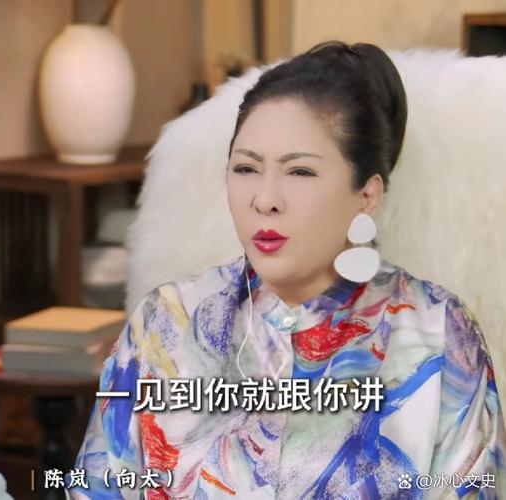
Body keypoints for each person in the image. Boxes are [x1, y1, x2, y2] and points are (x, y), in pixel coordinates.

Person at [68, 41, 506, 499]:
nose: (265, 199)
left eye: (299, 172)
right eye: (246, 168)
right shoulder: (166, 320)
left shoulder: (438, 333)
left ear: (366, 196)